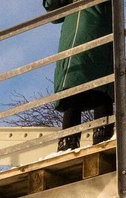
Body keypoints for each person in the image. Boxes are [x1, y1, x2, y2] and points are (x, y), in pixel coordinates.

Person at [46, 1, 114, 151]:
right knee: (88, 89)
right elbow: (54, 11)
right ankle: (96, 137)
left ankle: (75, 141)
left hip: (88, 33)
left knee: (89, 88)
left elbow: (52, 9)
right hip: (79, 37)